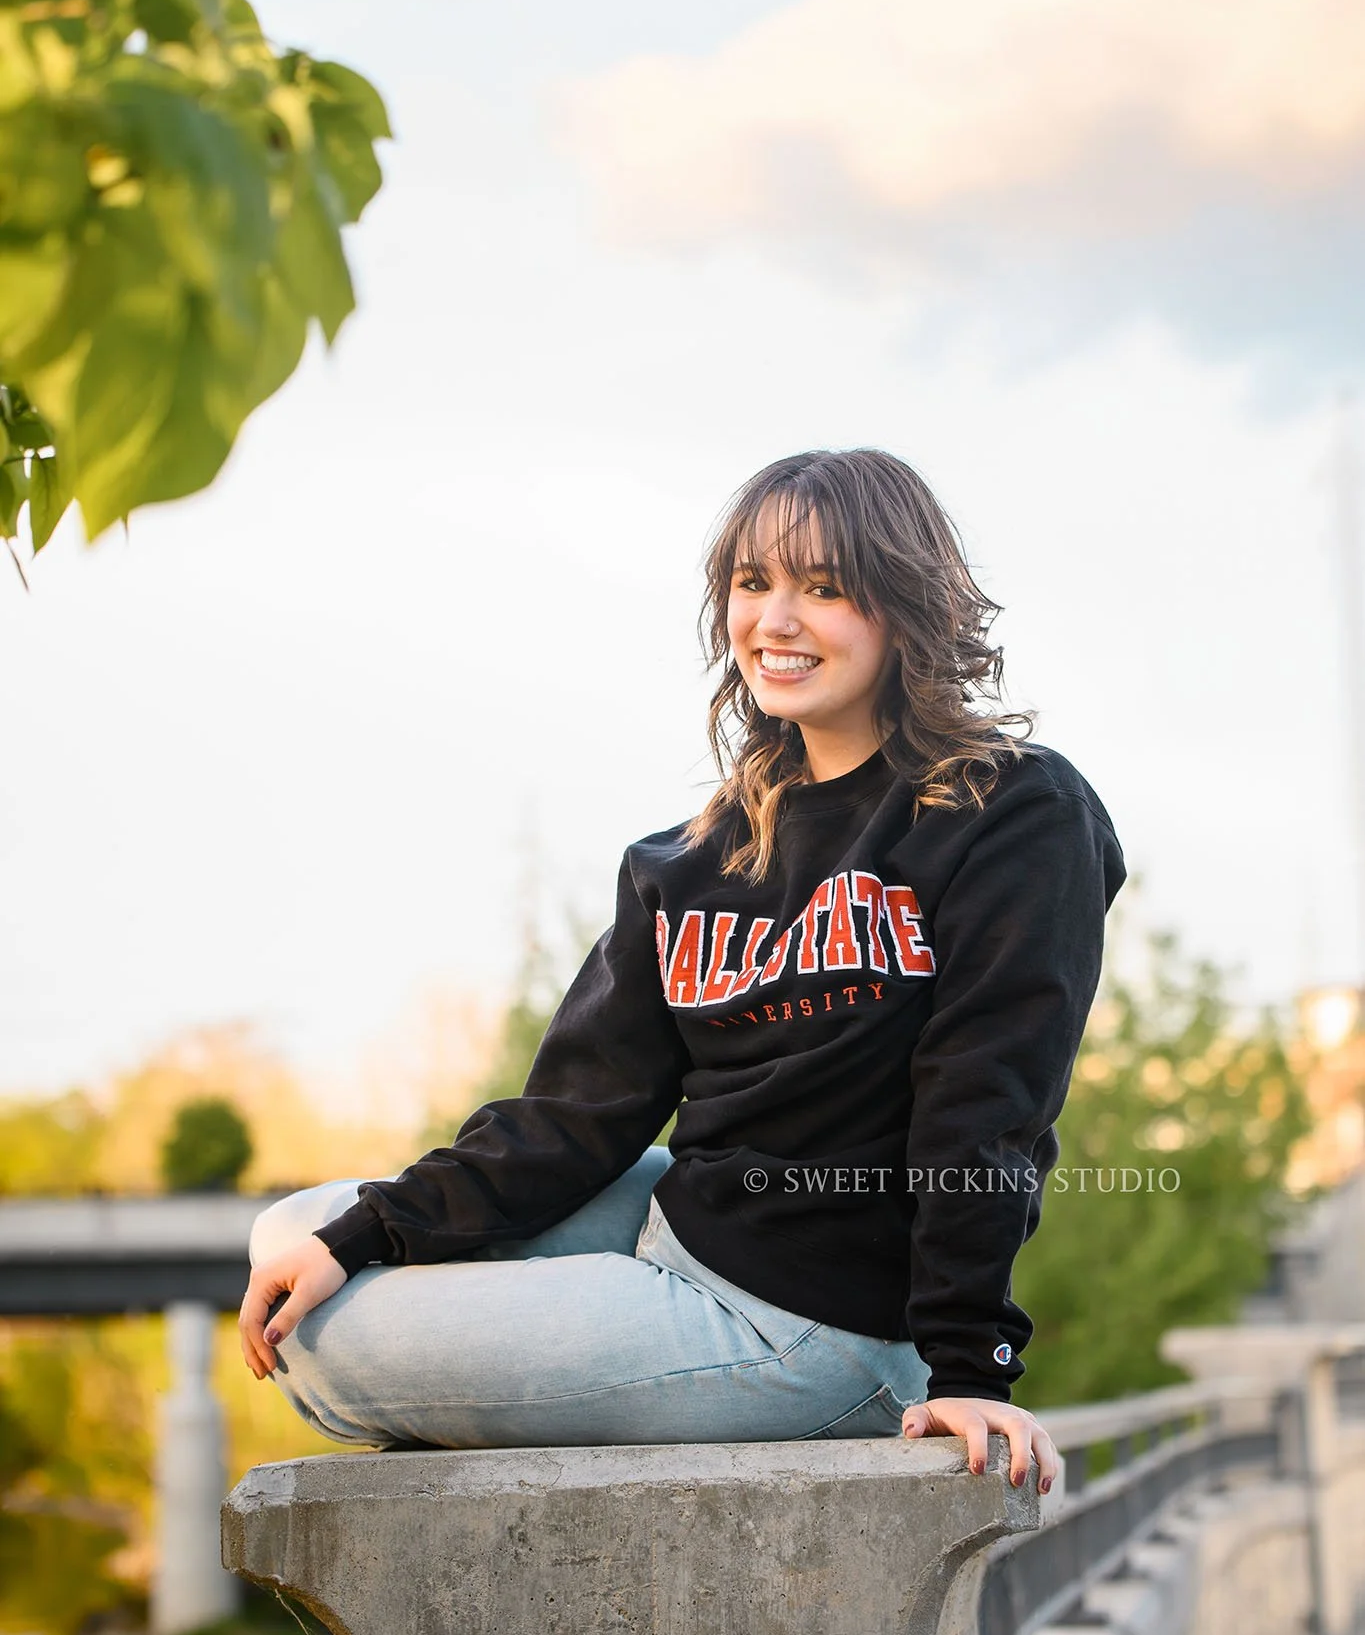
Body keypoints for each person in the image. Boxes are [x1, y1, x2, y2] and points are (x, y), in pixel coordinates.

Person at [240, 447, 1125, 1494]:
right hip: (687, 1220)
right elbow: (575, 1117)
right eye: (755, 583)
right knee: (297, 1234)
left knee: (323, 1339)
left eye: (825, 587)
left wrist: (973, 1366)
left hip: (817, 1317)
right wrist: (374, 1228)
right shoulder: (694, 855)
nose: (777, 621)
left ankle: (746, 1372)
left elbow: (989, 1100)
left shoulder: (1008, 810)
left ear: (904, 609)